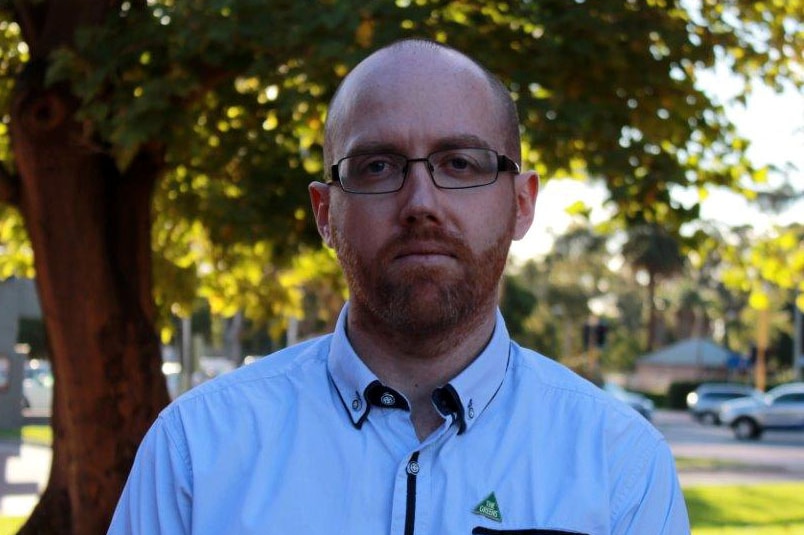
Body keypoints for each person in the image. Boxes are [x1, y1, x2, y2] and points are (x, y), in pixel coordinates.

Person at [108, 39, 689, 534]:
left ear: (520, 203)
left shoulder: (620, 466)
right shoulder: (196, 451)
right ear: (325, 214)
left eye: (460, 163)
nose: (421, 205)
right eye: (378, 166)